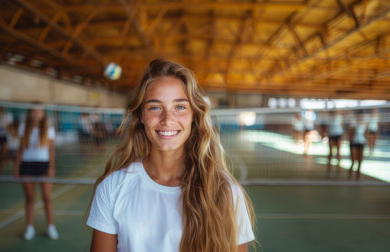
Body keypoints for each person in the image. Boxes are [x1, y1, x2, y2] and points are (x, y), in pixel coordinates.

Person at [86, 59, 255, 252]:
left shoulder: (225, 191)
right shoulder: (112, 188)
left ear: (194, 115)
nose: (168, 119)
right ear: (141, 115)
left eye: (180, 107)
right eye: (155, 107)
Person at [13, 105, 59, 240]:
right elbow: (20, 149)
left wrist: (51, 167)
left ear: (43, 114)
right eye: (34, 111)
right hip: (27, 164)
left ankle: (51, 227)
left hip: (43, 164)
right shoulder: (23, 128)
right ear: (30, 113)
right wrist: (16, 168)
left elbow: (51, 150)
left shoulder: (49, 129)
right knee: (30, 198)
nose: (36, 114)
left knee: (46, 197)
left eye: (39, 111)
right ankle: (30, 227)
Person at [348, 111, 367, 180]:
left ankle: (358, 177)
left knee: (360, 160)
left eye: (361, 116)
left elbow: (366, 133)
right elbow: (349, 133)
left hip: (361, 143)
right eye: (359, 116)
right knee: (353, 160)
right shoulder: (353, 124)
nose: (360, 117)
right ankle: (350, 176)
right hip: (354, 143)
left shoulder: (365, 124)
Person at [327, 110, 344, 175]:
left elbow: (341, 125)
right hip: (331, 134)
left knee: (338, 152)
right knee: (331, 152)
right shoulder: (330, 117)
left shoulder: (340, 116)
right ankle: (329, 168)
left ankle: (338, 167)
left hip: (338, 134)